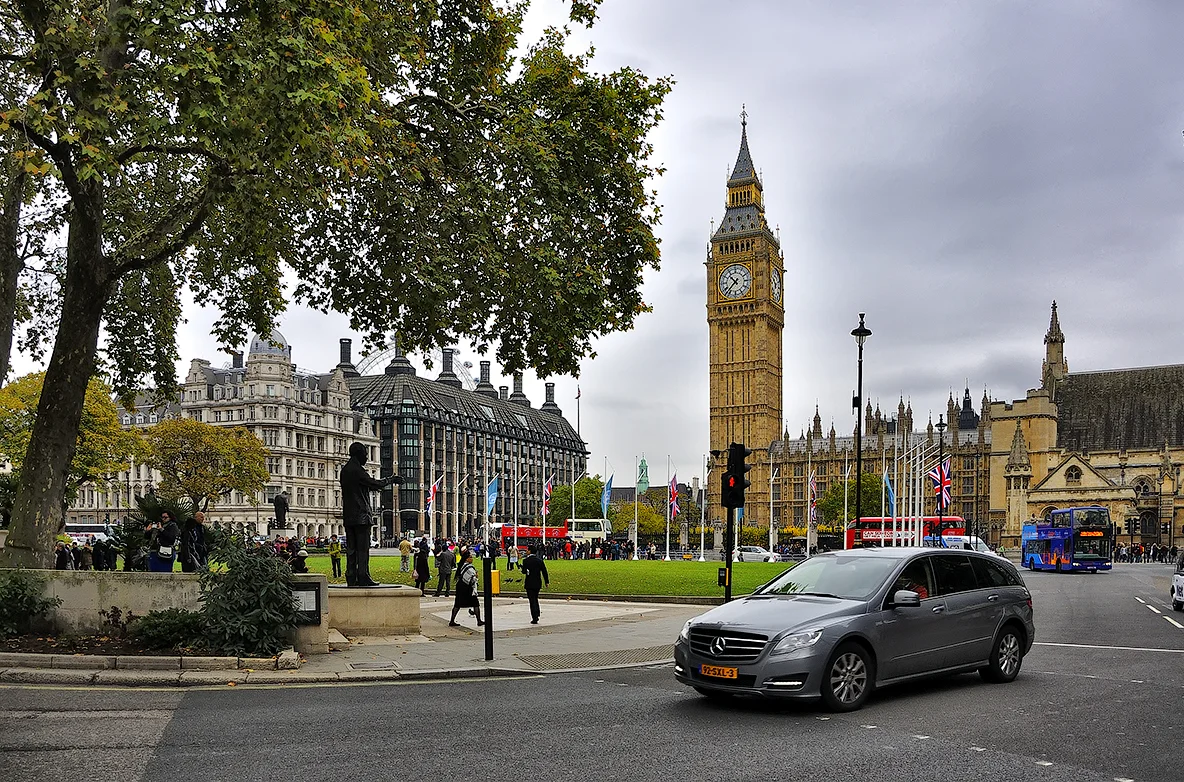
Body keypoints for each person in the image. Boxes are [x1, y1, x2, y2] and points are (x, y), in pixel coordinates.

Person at [339, 441, 402, 586]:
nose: (367, 457)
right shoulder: (357, 470)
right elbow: (374, 484)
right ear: (359, 454)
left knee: (351, 548)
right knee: (362, 549)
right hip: (361, 515)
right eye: (366, 454)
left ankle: (351, 575)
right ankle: (363, 576)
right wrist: (391, 479)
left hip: (349, 515)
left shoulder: (345, 470)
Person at [449, 548, 483, 627]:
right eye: (471, 557)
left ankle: (452, 620)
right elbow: (473, 578)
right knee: (475, 603)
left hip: (460, 586)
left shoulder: (461, 565)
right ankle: (479, 621)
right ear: (467, 559)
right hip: (467, 587)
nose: (472, 558)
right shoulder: (469, 567)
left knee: (457, 604)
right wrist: (476, 576)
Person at [520, 544, 549, 624]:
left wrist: (523, 569)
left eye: (527, 550)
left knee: (531, 600)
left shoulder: (526, 561)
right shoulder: (539, 561)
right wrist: (546, 581)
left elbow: (524, 571)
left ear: (529, 551)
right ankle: (537, 612)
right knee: (535, 598)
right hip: (537, 582)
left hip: (529, 583)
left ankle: (534, 616)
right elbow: (544, 571)